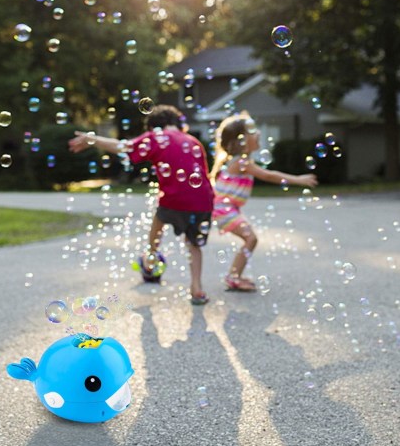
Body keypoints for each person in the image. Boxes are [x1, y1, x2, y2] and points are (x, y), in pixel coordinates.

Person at [69, 105, 214, 305]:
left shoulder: (156, 137)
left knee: (157, 226)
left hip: (173, 198)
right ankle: (197, 287)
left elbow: (124, 147)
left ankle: (150, 257)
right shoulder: (193, 141)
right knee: (194, 245)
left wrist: (92, 139)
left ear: (154, 126)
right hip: (203, 200)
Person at [210, 113, 318, 291]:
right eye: (252, 131)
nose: (258, 132)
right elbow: (268, 175)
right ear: (241, 140)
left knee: (250, 239)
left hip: (228, 208)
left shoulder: (242, 162)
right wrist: (298, 179)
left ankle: (235, 275)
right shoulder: (242, 162)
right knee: (251, 238)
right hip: (224, 209)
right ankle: (233, 276)